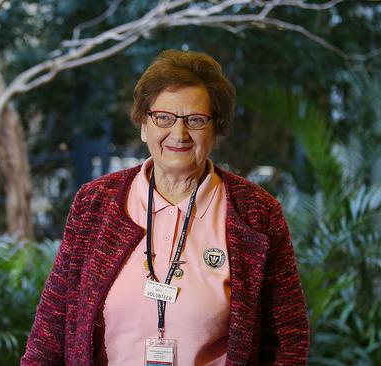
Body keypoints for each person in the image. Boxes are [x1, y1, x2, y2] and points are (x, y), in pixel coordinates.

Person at [21, 49, 309, 365]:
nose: (179, 133)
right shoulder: (95, 203)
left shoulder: (256, 213)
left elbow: (287, 339)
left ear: (216, 129)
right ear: (144, 124)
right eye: (163, 118)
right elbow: (53, 323)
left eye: (196, 120)